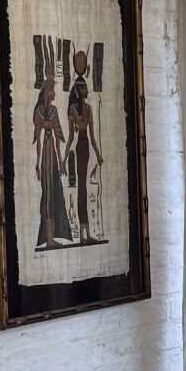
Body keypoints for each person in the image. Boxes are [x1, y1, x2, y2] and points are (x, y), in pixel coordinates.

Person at [30, 74, 72, 249]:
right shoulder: (39, 111)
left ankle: (52, 237)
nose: (54, 93)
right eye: (52, 89)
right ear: (46, 92)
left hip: (52, 156)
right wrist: (38, 163)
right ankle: (48, 238)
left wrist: (61, 162)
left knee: (54, 192)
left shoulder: (53, 111)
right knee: (47, 195)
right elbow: (38, 140)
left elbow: (57, 138)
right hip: (45, 157)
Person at [65, 48, 103, 242]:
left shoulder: (87, 109)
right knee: (81, 187)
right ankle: (82, 233)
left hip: (85, 146)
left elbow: (93, 136)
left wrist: (98, 155)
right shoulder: (74, 109)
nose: (87, 90)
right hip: (81, 146)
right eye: (85, 88)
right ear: (80, 90)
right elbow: (71, 137)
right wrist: (64, 159)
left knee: (84, 187)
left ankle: (85, 233)